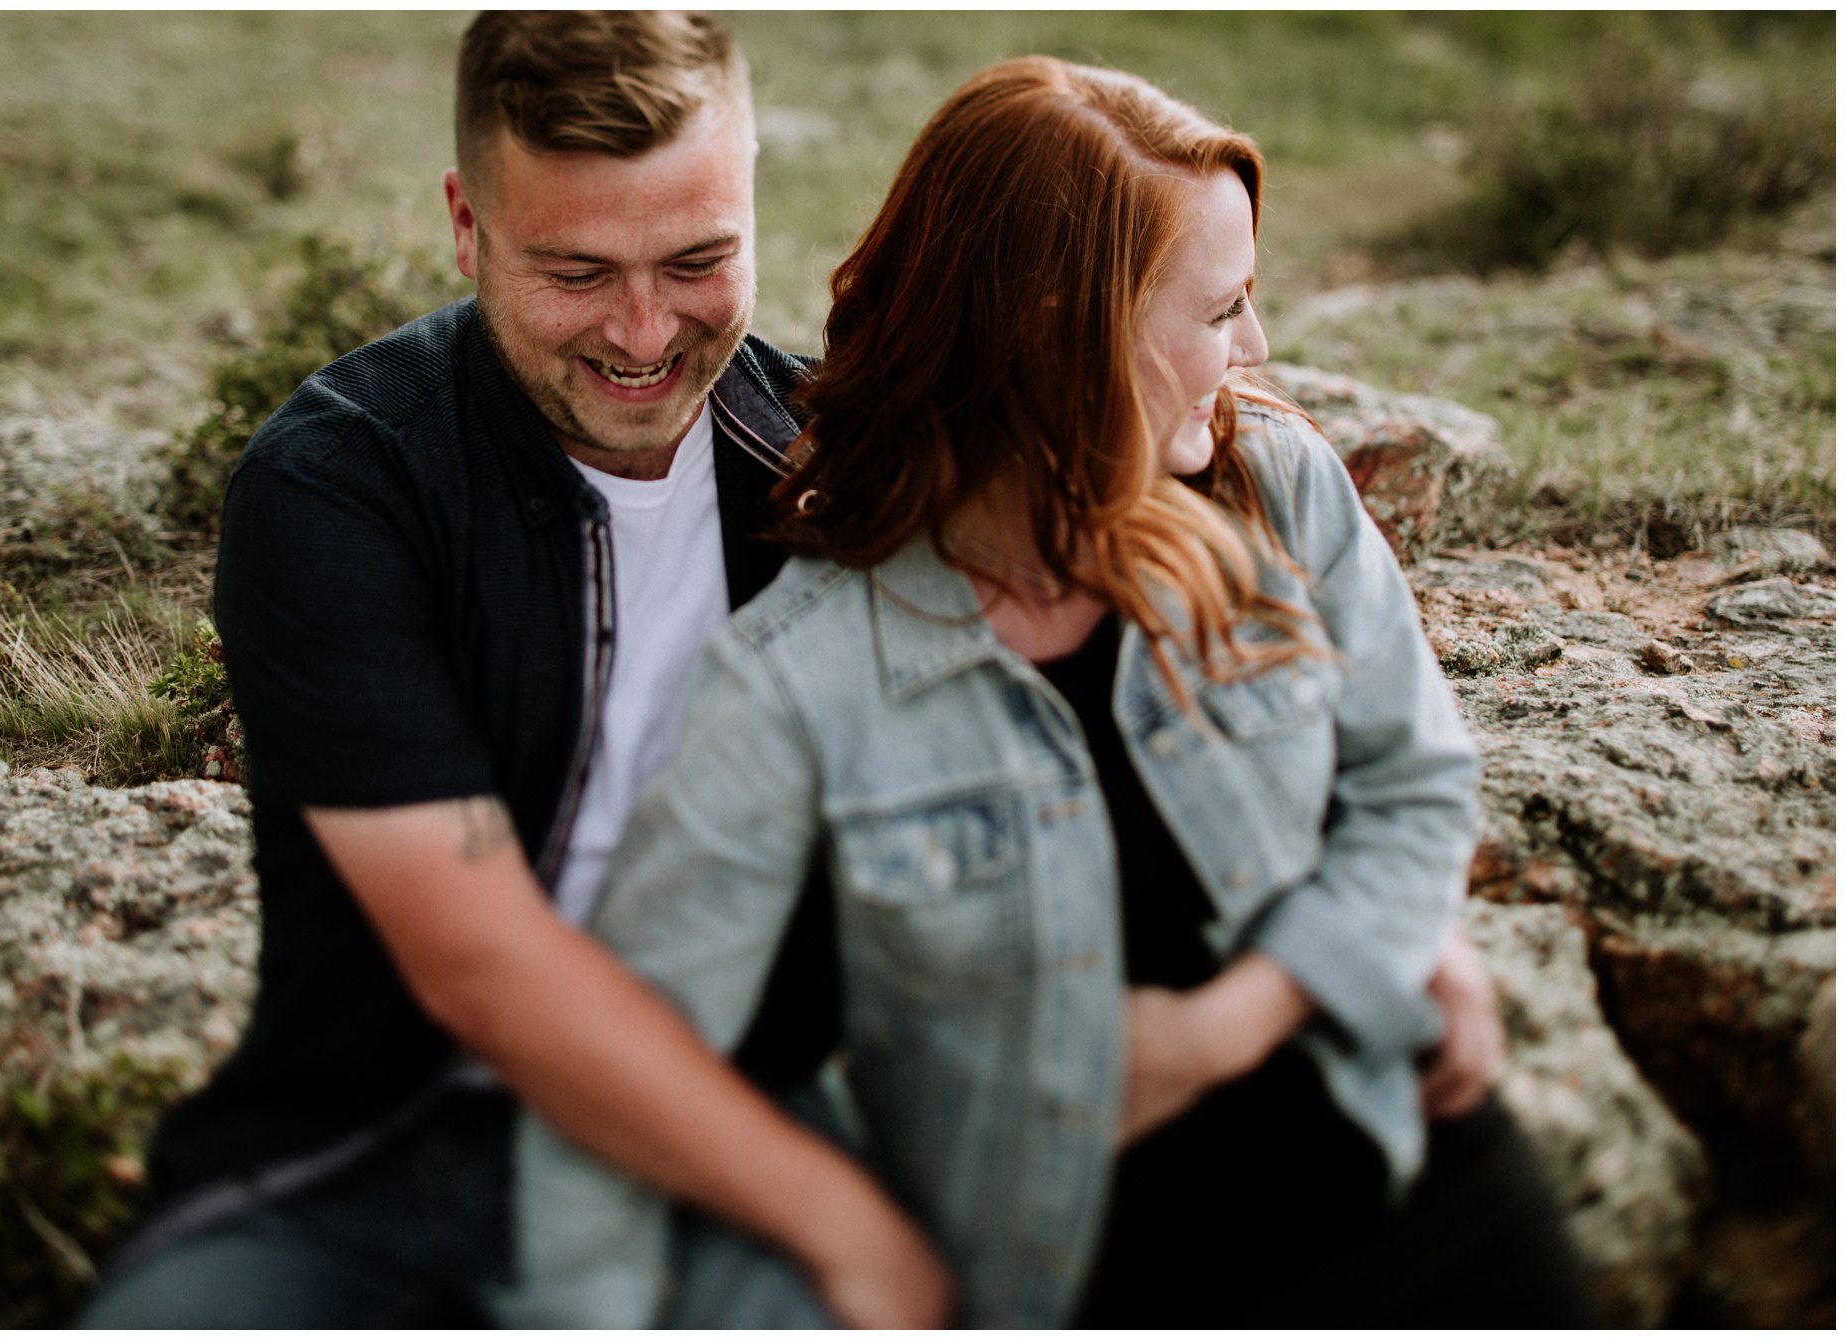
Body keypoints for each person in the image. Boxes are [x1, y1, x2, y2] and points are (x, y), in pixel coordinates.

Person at [517, 55, 1601, 1328]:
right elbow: (628, 1073)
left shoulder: (1276, 485)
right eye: (1220, 307)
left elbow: (1413, 786)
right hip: (1089, 1278)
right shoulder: (799, 681)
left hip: (1415, 1188)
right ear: (1056, 326)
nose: (1252, 346)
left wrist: (1232, 1022)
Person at [78, 12, 946, 1327]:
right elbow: (474, 963)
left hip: (736, 1119)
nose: (646, 332)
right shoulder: (342, 483)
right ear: (466, 225)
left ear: (754, 190)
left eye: (700, 258)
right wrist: (849, 1223)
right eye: (578, 272)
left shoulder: (838, 466)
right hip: (371, 1144)